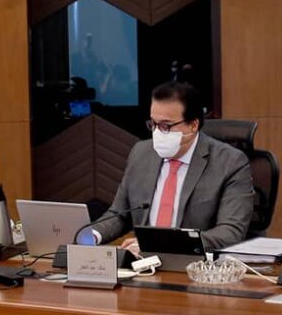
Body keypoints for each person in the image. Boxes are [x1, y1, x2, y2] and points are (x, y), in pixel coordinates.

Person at [91, 81, 254, 251]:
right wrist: (92, 235)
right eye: (153, 124)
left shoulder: (230, 162)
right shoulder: (141, 153)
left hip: (194, 262)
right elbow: (119, 214)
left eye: (165, 126)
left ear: (193, 125)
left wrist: (159, 245)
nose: (157, 133)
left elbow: (230, 232)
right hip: (141, 261)